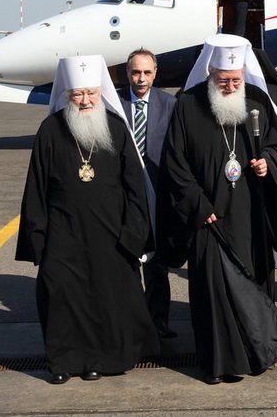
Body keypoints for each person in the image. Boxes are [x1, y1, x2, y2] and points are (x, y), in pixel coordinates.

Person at [158, 34, 277, 384]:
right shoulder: (188, 105)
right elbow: (174, 163)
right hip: (209, 216)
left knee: (252, 284)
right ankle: (217, 362)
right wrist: (197, 204)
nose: (231, 86)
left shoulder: (257, 102)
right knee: (213, 293)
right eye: (224, 81)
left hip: (250, 214)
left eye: (236, 80)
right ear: (211, 73)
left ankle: (256, 353)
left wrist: (268, 163)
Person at [16, 55, 159, 384]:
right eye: (78, 94)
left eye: (91, 93)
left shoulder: (116, 128)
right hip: (62, 234)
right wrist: (38, 237)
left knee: (105, 299)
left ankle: (100, 360)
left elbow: (134, 188)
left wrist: (132, 234)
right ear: (67, 94)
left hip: (110, 234)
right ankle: (63, 362)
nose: (85, 101)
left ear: (100, 92)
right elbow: (36, 187)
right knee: (62, 297)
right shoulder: (51, 130)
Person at [117, 48, 178, 339]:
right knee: (126, 261)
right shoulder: (113, 103)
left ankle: (158, 321)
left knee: (157, 264)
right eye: (135, 72)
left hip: (158, 194)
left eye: (146, 72)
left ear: (155, 74)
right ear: (127, 73)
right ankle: (130, 322)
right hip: (124, 195)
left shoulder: (170, 105)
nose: (141, 78)